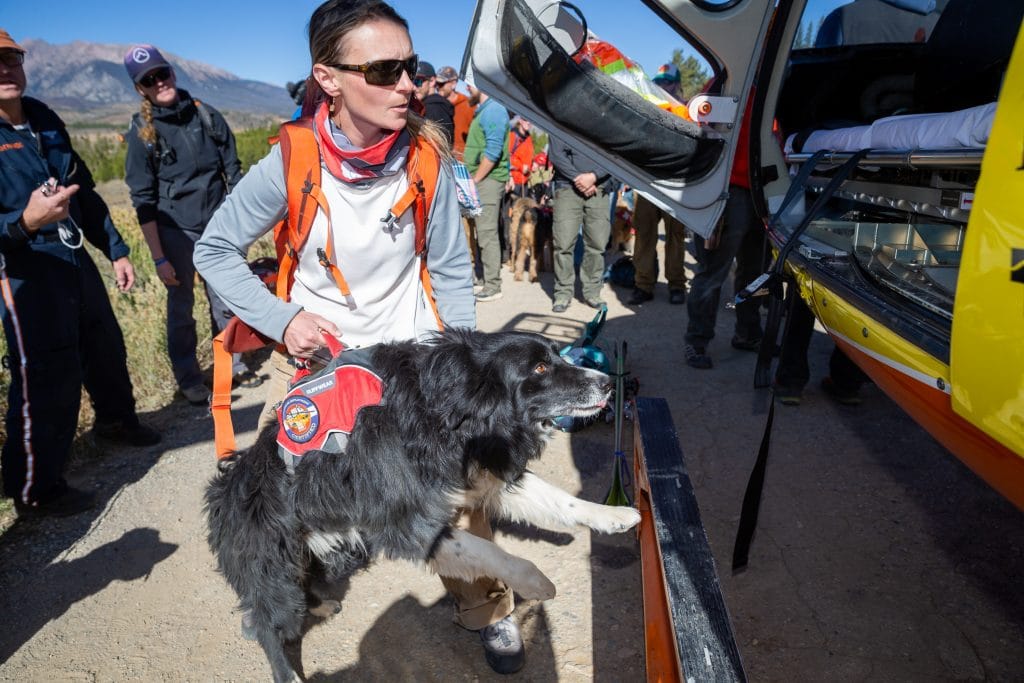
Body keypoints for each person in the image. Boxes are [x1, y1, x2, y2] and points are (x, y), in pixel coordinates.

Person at [193, 1, 524, 674]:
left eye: (409, 66)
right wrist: (285, 321)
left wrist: (458, 359)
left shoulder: (427, 157)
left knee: (459, 500)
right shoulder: (292, 159)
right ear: (330, 78)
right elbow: (215, 249)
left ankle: (487, 607)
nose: (409, 83)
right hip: (327, 372)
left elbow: (453, 266)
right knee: (297, 508)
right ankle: (294, 623)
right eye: (385, 69)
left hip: (414, 366)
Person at [0, 29, 160, 517]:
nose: (5, 70)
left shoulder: (44, 117)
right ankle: (35, 490)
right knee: (45, 371)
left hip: (71, 255)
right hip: (22, 266)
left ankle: (115, 422)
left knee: (103, 341)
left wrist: (115, 249)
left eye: (11, 59)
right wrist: (25, 222)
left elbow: (82, 190)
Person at [122, 44, 253, 406]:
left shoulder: (206, 116)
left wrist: (239, 226)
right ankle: (189, 378)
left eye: (162, 73)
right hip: (174, 231)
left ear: (173, 73)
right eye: (149, 80)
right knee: (181, 309)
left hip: (218, 225)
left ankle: (230, 363)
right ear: (141, 89)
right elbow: (143, 202)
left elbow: (234, 171)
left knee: (225, 300)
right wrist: (160, 258)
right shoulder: (141, 134)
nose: (159, 82)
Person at [682, 102, 769, 369]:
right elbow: (703, 134)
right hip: (729, 189)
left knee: (755, 272)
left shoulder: (775, 85)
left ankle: (748, 333)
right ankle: (696, 340)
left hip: (765, 190)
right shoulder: (729, 84)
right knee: (713, 271)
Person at [628, 63, 688, 306]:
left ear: (676, 84)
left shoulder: (685, 111)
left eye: (667, 81)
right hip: (648, 183)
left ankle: (676, 284)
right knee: (644, 235)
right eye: (659, 81)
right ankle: (644, 284)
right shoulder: (648, 108)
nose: (662, 86)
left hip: (677, 185)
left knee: (675, 237)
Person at [547, 137, 615, 313]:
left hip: (599, 188)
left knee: (597, 244)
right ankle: (562, 293)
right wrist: (578, 178)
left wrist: (594, 176)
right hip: (567, 187)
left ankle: (592, 292)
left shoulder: (605, 120)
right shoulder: (560, 119)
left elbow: (612, 153)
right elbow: (556, 154)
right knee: (563, 244)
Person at [464, 89, 510, 303]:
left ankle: (493, 285)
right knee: (483, 232)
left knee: (487, 232)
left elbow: (493, 150)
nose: (467, 89)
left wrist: (476, 180)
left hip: (487, 181)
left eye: (470, 84)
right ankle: (487, 281)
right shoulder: (485, 110)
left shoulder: (494, 110)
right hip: (483, 180)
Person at [439, 66, 477, 161]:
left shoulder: (469, 105)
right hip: (443, 161)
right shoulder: (437, 106)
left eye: (441, 84)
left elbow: (477, 138)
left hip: (464, 164)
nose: (438, 87)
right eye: (436, 83)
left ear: (454, 84)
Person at [413, 60, 454, 147]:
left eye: (417, 81)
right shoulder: (425, 105)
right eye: (412, 81)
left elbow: (442, 146)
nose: (413, 87)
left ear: (432, 81)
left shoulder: (434, 108)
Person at [507, 116, 534, 198]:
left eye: (530, 120)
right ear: (520, 121)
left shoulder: (528, 138)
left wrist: (533, 165)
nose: (529, 123)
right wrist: (521, 167)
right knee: (512, 208)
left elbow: (529, 157)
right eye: (526, 120)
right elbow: (507, 157)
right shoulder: (512, 135)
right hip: (513, 180)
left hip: (524, 181)